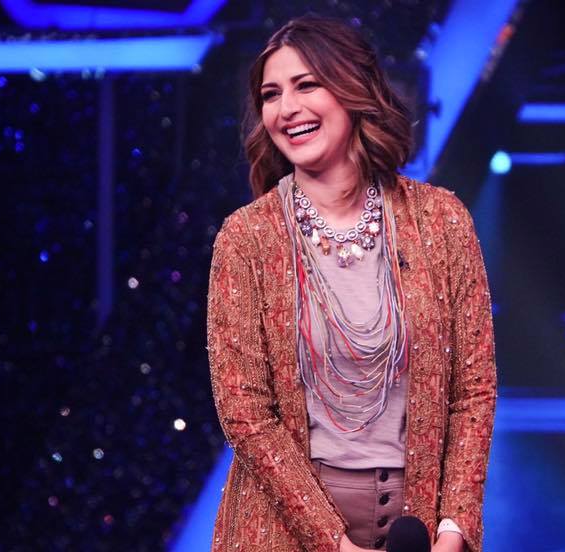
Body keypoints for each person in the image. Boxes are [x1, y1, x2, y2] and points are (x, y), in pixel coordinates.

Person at [207, 14, 497, 552]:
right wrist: (332, 541)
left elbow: (473, 390)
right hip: (284, 531)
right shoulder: (247, 239)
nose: (286, 108)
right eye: (271, 94)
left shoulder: (441, 221)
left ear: (352, 90)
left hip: (417, 531)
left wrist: (455, 525)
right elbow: (244, 410)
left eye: (306, 85)